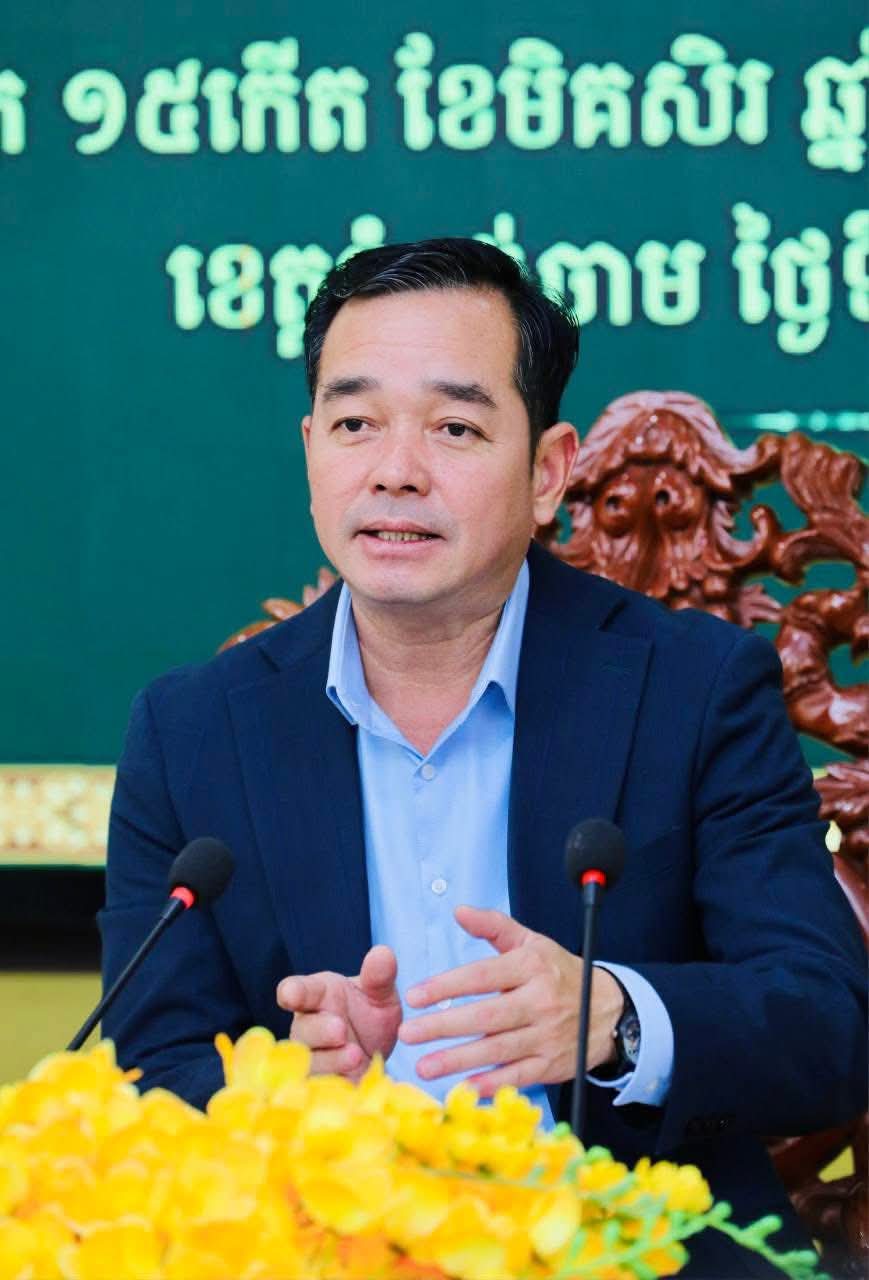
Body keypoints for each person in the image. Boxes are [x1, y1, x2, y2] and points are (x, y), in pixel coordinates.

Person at [100, 239, 867, 1278]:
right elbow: (148, 1070)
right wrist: (283, 1090)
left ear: (546, 471)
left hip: (626, 1251)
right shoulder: (189, 729)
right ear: (312, 449)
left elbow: (826, 1027)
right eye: (354, 424)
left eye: (453, 427)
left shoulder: (694, 689)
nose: (394, 470)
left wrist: (614, 1018)